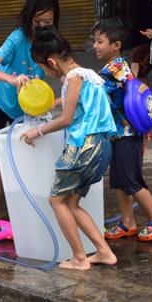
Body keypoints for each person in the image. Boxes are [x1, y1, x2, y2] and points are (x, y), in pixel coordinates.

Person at [20, 28, 118, 270]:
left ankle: (79, 258)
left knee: (56, 201)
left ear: (52, 62)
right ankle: (104, 252)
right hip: (102, 145)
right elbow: (75, 101)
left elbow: (66, 119)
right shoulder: (89, 75)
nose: (44, 72)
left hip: (83, 146)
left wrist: (37, 131)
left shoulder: (74, 78)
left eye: (43, 68)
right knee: (71, 203)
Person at [0, 0, 59, 237]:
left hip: (28, 106)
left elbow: (62, 69)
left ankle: (25, 212)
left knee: (24, 157)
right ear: (29, 17)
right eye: (39, 21)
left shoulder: (50, 40)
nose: (44, 26)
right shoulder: (16, 38)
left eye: (48, 21)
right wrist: (11, 80)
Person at [92, 19, 152, 242]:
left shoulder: (118, 68)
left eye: (100, 41)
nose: (95, 46)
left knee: (131, 180)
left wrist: (143, 127)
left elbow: (137, 95)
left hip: (127, 134)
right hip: (116, 134)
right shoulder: (111, 69)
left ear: (115, 45)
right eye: (94, 41)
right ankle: (128, 223)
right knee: (118, 180)